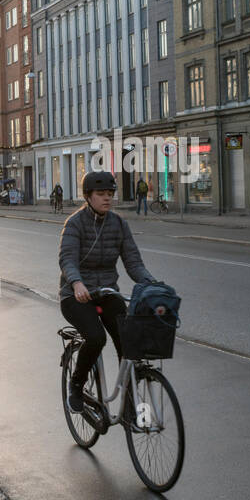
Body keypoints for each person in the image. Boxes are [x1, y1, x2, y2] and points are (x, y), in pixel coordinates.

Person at [59, 170, 159, 413]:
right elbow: (67, 259)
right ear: (88, 196)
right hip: (76, 296)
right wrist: (76, 283)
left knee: (129, 344)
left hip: (107, 293)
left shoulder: (119, 224)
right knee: (96, 338)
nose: (107, 199)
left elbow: (133, 262)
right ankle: (76, 385)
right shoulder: (75, 223)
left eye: (110, 194)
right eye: (101, 194)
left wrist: (151, 282)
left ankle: (130, 405)